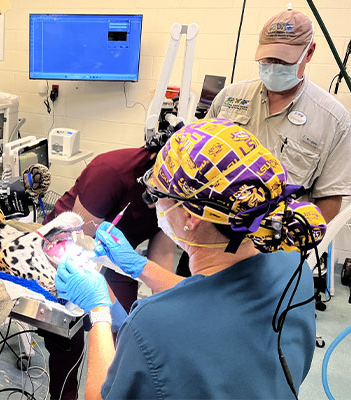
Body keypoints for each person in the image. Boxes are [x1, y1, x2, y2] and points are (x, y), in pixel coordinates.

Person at [55, 119, 326, 399]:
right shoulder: (293, 268)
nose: (156, 206)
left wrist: (99, 312)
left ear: (191, 216)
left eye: (157, 195)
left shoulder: (151, 327)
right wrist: (140, 266)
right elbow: (213, 304)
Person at [43, 145, 174, 399]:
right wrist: (102, 306)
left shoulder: (177, 202)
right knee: (69, 342)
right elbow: (78, 239)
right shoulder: (110, 171)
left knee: (124, 337)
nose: (156, 207)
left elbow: (163, 257)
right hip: (70, 246)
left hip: (121, 257)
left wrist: (141, 275)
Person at [208, 9, 351, 224]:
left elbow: (329, 199)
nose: (273, 67)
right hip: (214, 224)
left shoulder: (334, 120)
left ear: (309, 52)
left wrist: (292, 243)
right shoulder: (230, 96)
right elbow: (199, 158)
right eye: (267, 59)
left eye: (284, 60)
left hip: (276, 238)